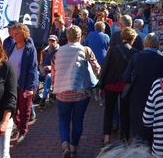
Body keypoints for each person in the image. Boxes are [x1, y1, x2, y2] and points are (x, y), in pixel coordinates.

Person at [51, 25, 100, 158]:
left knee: (63, 120)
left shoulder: (59, 52)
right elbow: (97, 68)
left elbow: (54, 72)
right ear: (80, 37)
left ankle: (65, 145)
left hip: (62, 93)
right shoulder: (85, 50)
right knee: (78, 120)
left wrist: (54, 87)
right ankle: (73, 148)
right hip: (81, 93)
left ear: (67, 37)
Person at [122, 33, 163, 144]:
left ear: (145, 43)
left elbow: (125, 77)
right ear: (157, 44)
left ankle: (140, 148)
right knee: (154, 121)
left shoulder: (136, 57)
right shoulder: (162, 60)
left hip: (137, 94)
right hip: (156, 95)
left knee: (138, 123)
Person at [100, 27, 139, 145]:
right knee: (125, 113)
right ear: (133, 39)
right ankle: (125, 138)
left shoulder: (113, 50)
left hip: (111, 83)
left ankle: (106, 137)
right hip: (126, 86)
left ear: (122, 37)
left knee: (109, 111)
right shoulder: (135, 53)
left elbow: (105, 67)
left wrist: (101, 84)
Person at [7, 23, 38, 143]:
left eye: (17, 33)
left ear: (24, 33)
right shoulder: (12, 47)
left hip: (25, 84)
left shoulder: (30, 48)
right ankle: (18, 125)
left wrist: (30, 87)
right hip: (11, 84)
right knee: (12, 108)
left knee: (24, 109)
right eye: (13, 33)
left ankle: (22, 131)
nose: (14, 36)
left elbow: (32, 68)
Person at [84, 22, 110, 105]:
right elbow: (108, 48)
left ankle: (95, 95)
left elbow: (85, 45)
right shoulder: (106, 36)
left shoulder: (90, 35)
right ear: (103, 28)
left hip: (91, 59)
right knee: (101, 78)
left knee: (94, 77)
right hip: (102, 60)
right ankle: (100, 98)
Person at [37, 35, 60, 108]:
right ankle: (36, 96)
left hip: (55, 72)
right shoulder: (44, 51)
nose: (51, 42)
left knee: (48, 77)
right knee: (36, 74)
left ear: (57, 41)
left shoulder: (59, 51)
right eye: (50, 41)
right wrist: (41, 70)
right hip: (44, 71)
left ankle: (43, 98)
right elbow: (41, 63)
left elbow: (60, 64)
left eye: (53, 41)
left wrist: (50, 67)